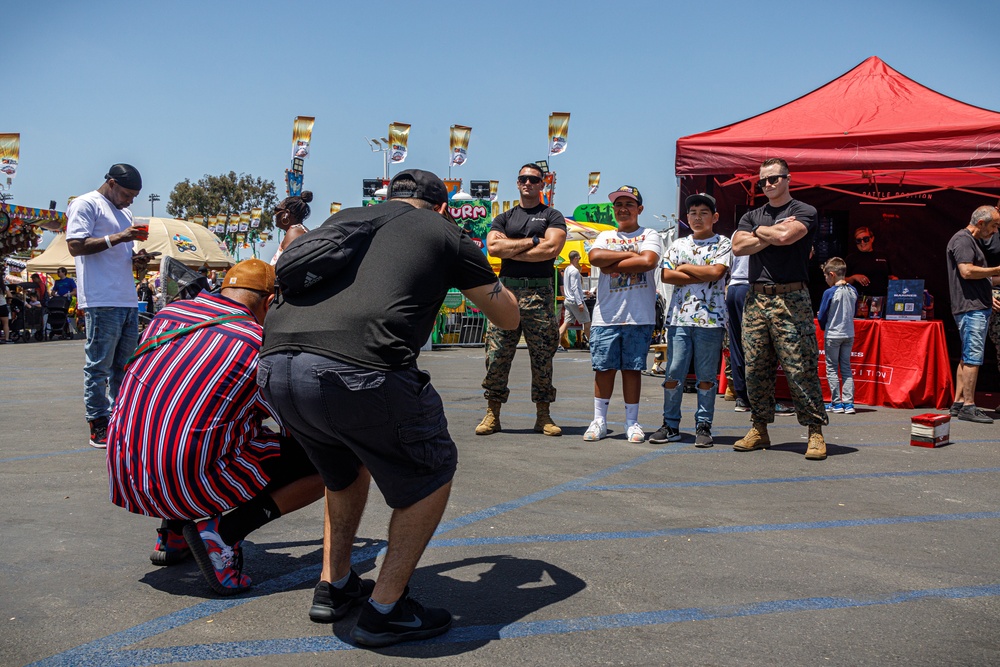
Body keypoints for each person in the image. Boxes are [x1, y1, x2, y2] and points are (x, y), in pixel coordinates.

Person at [259, 169, 519, 647]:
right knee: (430, 472)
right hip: (359, 371)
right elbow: (505, 315)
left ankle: (334, 586)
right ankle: (386, 610)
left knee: (343, 471)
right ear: (441, 205)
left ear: (390, 197)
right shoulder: (445, 232)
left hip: (276, 369)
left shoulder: (347, 220)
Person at [107, 259, 324, 595]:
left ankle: (175, 531)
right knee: (332, 463)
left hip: (130, 477)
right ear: (270, 303)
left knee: (189, 420)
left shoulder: (167, 317)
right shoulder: (257, 344)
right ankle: (227, 531)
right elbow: (296, 426)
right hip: (182, 484)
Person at [731, 158, 830, 460]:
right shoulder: (752, 214)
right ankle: (759, 428)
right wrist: (771, 231)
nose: (768, 185)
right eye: (763, 181)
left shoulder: (804, 211)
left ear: (788, 179)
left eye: (774, 179)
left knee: (800, 366)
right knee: (756, 366)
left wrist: (760, 234)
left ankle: (814, 431)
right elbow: (737, 246)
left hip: (792, 297)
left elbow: (788, 237)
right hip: (756, 297)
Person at [477, 163, 568, 436]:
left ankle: (544, 415)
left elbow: (551, 248)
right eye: (522, 179)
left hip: (539, 293)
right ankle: (492, 413)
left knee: (542, 357)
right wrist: (531, 242)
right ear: (517, 183)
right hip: (506, 292)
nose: (527, 183)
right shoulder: (504, 218)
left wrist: (511, 248)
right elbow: (493, 248)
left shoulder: (552, 215)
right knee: (496, 355)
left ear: (543, 184)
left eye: (533, 179)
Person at [66, 163, 152, 448]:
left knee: (125, 367)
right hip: (101, 299)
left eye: (134, 197)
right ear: (112, 183)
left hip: (126, 298)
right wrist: (120, 237)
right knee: (99, 366)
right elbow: (76, 245)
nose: (130, 201)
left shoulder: (125, 212)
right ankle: (98, 423)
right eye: (127, 194)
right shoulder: (86, 204)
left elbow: (119, 256)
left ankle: (121, 418)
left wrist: (136, 260)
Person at [649, 193, 730, 447]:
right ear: (687, 218)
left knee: (706, 376)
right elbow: (666, 276)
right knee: (673, 373)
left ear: (714, 217)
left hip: (711, 320)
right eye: (693, 212)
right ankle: (670, 424)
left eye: (704, 212)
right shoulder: (677, 245)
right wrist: (699, 274)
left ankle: (703, 425)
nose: (697, 217)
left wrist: (684, 269)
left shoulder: (723, 243)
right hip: (679, 320)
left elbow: (717, 272)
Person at [583, 186, 662, 443]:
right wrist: (630, 254)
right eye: (618, 205)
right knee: (603, 368)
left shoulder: (650, 233)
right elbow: (595, 258)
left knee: (632, 369)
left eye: (629, 204)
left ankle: (632, 422)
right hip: (606, 315)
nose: (623, 209)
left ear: (639, 209)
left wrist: (612, 264)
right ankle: (599, 420)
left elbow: (648, 261)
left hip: (639, 315)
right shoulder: (605, 236)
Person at [945, 205, 1000, 423]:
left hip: (977, 306)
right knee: (973, 358)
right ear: (981, 223)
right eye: (994, 226)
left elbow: (981, 277)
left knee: (968, 356)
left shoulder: (973, 241)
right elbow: (966, 271)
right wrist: (996, 270)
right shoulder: (963, 240)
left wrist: (993, 278)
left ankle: (959, 403)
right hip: (971, 307)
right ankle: (969, 405)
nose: (995, 231)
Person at [817, 257, 858, 414]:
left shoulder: (829, 292)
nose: (826, 280)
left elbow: (822, 316)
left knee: (832, 368)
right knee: (846, 367)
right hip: (849, 333)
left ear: (832, 274)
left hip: (833, 334)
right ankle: (849, 403)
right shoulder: (853, 290)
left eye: (826, 276)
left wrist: (823, 325)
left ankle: (836, 403)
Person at [846, 226, 895, 298]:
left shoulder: (883, 256)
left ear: (872, 239)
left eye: (865, 239)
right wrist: (853, 277)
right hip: (859, 300)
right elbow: (840, 281)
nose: (862, 242)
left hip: (881, 299)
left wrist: (894, 281)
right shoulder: (851, 258)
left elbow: (889, 276)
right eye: (858, 240)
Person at [269, 191, 313, 266]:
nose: (275, 215)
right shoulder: (297, 230)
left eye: (277, 211)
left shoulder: (294, 231)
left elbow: (288, 263)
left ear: (286, 214)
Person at [557, 250, 591, 349]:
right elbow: (574, 287)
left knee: (567, 323)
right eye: (579, 258)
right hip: (575, 301)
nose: (580, 260)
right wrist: (580, 302)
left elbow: (571, 287)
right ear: (575, 258)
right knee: (587, 321)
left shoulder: (567, 269)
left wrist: (584, 292)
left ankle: (557, 343)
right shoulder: (575, 271)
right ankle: (593, 344)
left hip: (568, 300)